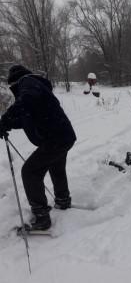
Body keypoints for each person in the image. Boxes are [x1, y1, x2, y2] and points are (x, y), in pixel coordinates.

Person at [0, 64, 76, 230]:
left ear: (15, 82)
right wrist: (7, 124)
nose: (13, 90)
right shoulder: (36, 86)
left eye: (11, 86)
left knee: (30, 172)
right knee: (56, 168)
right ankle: (63, 201)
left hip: (56, 138)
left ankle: (42, 218)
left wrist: (6, 118)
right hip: (63, 135)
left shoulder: (27, 81)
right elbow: (27, 117)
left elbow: (27, 100)